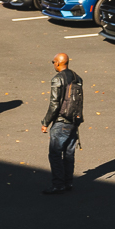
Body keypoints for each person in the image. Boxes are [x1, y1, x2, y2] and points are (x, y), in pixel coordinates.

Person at [41, 53, 83, 195]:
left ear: (58, 63)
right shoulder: (77, 77)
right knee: (69, 154)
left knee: (55, 154)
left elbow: (54, 104)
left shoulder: (58, 79)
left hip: (61, 121)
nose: (53, 64)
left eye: (53, 62)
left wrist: (46, 122)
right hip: (74, 121)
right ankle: (68, 182)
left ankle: (58, 184)